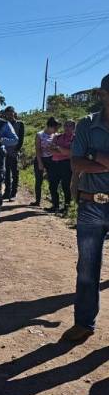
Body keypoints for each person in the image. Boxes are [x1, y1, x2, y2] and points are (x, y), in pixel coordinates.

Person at [61, 73, 109, 343]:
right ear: (102, 96)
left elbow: (84, 158)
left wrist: (97, 156)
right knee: (88, 268)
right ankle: (84, 323)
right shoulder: (86, 125)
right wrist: (96, 159)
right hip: (91, 204)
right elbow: (76, 163)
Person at [31, 117, 60, 206]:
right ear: (49, 126)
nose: (56, 130)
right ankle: (37, 201)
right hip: (41, 158)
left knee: (52, 181)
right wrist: (40, 163)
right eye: (55, 128)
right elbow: (38, 149)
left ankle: (55, 203)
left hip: (52, 160)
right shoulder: (39, 135)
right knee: (38, 180)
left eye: (57, 128)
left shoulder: (56, 135)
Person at [48, 120, 75, 213]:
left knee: (66, 186)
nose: (67, 128)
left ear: (73, 128)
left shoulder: (75, 138)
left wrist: (58, 148)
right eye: (65, 125)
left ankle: (66, 207)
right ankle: (55, 206)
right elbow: (51, 150)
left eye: (69, 126)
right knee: (52, 185)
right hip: (54, 163)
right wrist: (63, 151)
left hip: (67, 164)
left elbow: (71, 153)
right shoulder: (57, 137)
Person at [3, 106, 25, 202]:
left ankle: (13, 193)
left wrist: (16, 150)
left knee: (15, 173)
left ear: (14, 113)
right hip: (5, 152)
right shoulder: (4, 124)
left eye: (11, 113)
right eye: (7, 113)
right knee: (6, 173)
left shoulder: (20, 124)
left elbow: (21, 139)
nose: (9, 115)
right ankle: (7, 192)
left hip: (15, 152)